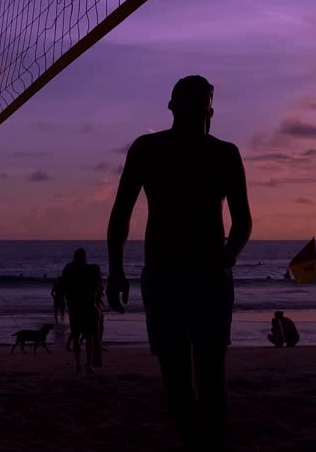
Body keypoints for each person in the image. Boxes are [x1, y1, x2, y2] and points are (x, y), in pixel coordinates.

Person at [107, 75, 253, 448]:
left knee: (203, 373)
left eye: (197, 103)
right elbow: (121, 213)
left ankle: (204, 440)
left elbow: (242, 222)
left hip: (201, 273)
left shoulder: (222, 153)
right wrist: (116, 270)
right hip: (172, 273)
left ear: (209, 110)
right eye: (186, 102)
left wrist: (227, 256)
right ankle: (199, 440)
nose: (192, 110)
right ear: (172, 108)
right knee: (183, 373)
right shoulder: (149, 149)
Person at [60, 249, 101, 372]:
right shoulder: (89, 269)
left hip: (74, 307)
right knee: (89, 336)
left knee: (76, 336)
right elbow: (95, 287)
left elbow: (63, 286)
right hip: (88, 305)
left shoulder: (67, 268)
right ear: (84, 257)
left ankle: (77, 364)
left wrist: (65, 300)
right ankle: (89, 364)